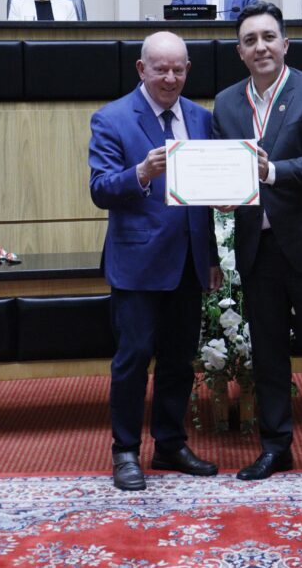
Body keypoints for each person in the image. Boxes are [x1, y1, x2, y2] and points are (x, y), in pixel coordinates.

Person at [212, 2, 302, 490]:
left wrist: (266, 171)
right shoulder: (227, 103)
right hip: (261, 246)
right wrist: (222, 195)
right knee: (269, 354)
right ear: (240, 51)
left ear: (285, 44)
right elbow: (223, 177)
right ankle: (276, 447)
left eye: (269, 37)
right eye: (250, 40)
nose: (261, 47)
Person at [88, 31, 222, 490]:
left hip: (190, 262)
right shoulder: (112, 118)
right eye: (161, 68)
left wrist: (213, 258)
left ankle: (169, 444)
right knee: (133, 359)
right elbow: (100, 189)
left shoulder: (202, 120)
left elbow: (207, 196)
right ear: (141, 69)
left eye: (179, 69)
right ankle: (125, 451)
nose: (170, 77)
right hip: (138, 265)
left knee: (179, 361)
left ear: (188, 70)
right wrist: (141, 172)